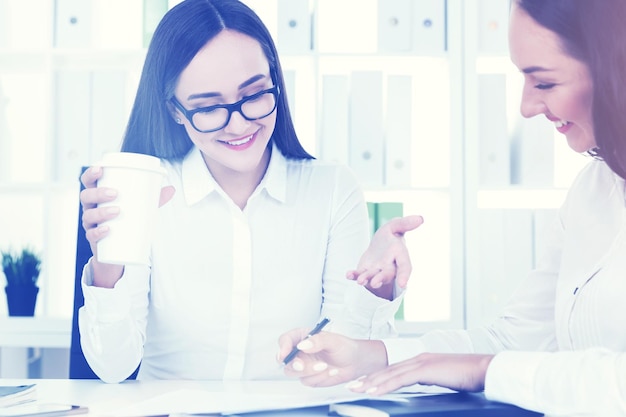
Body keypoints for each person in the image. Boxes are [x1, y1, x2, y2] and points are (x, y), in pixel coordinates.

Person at [278, 0, 626, 415]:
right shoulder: (592, 189)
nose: (526, 107)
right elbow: (513, 341)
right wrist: (372, 355)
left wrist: (486, 370)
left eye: (544, 83)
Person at [78, 0, 423, 383]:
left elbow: (345, 361)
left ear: (275, 79)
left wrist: (375, 288)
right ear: (175, 110)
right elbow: (113, 367)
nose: (239, 124)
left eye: (254, 94)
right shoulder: (149, 192)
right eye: (208, 107)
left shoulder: (332, 190)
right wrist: (108, 264)